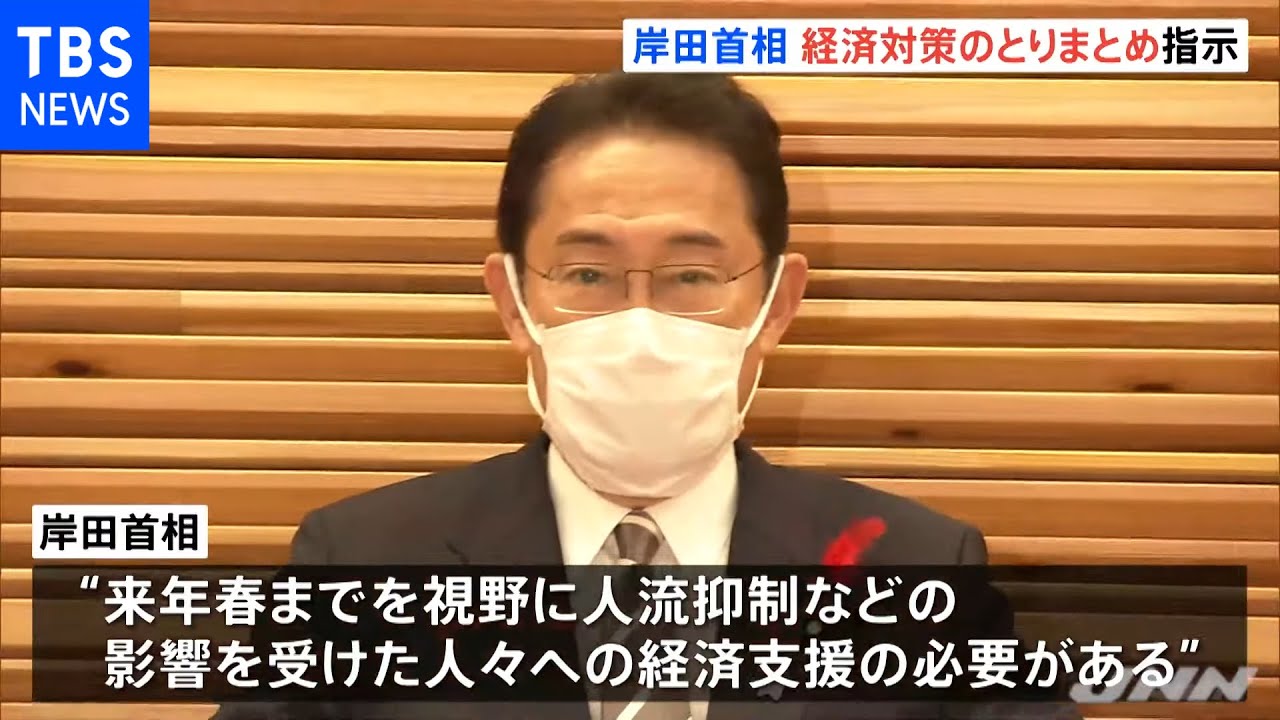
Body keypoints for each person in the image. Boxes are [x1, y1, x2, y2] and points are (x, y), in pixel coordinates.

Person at [211, 72, 1077, 720]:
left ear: (776, 304)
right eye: (586, 274)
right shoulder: (359, 562)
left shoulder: (921, 569)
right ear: (513, 302)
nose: (639, 325)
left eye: (691, 275)